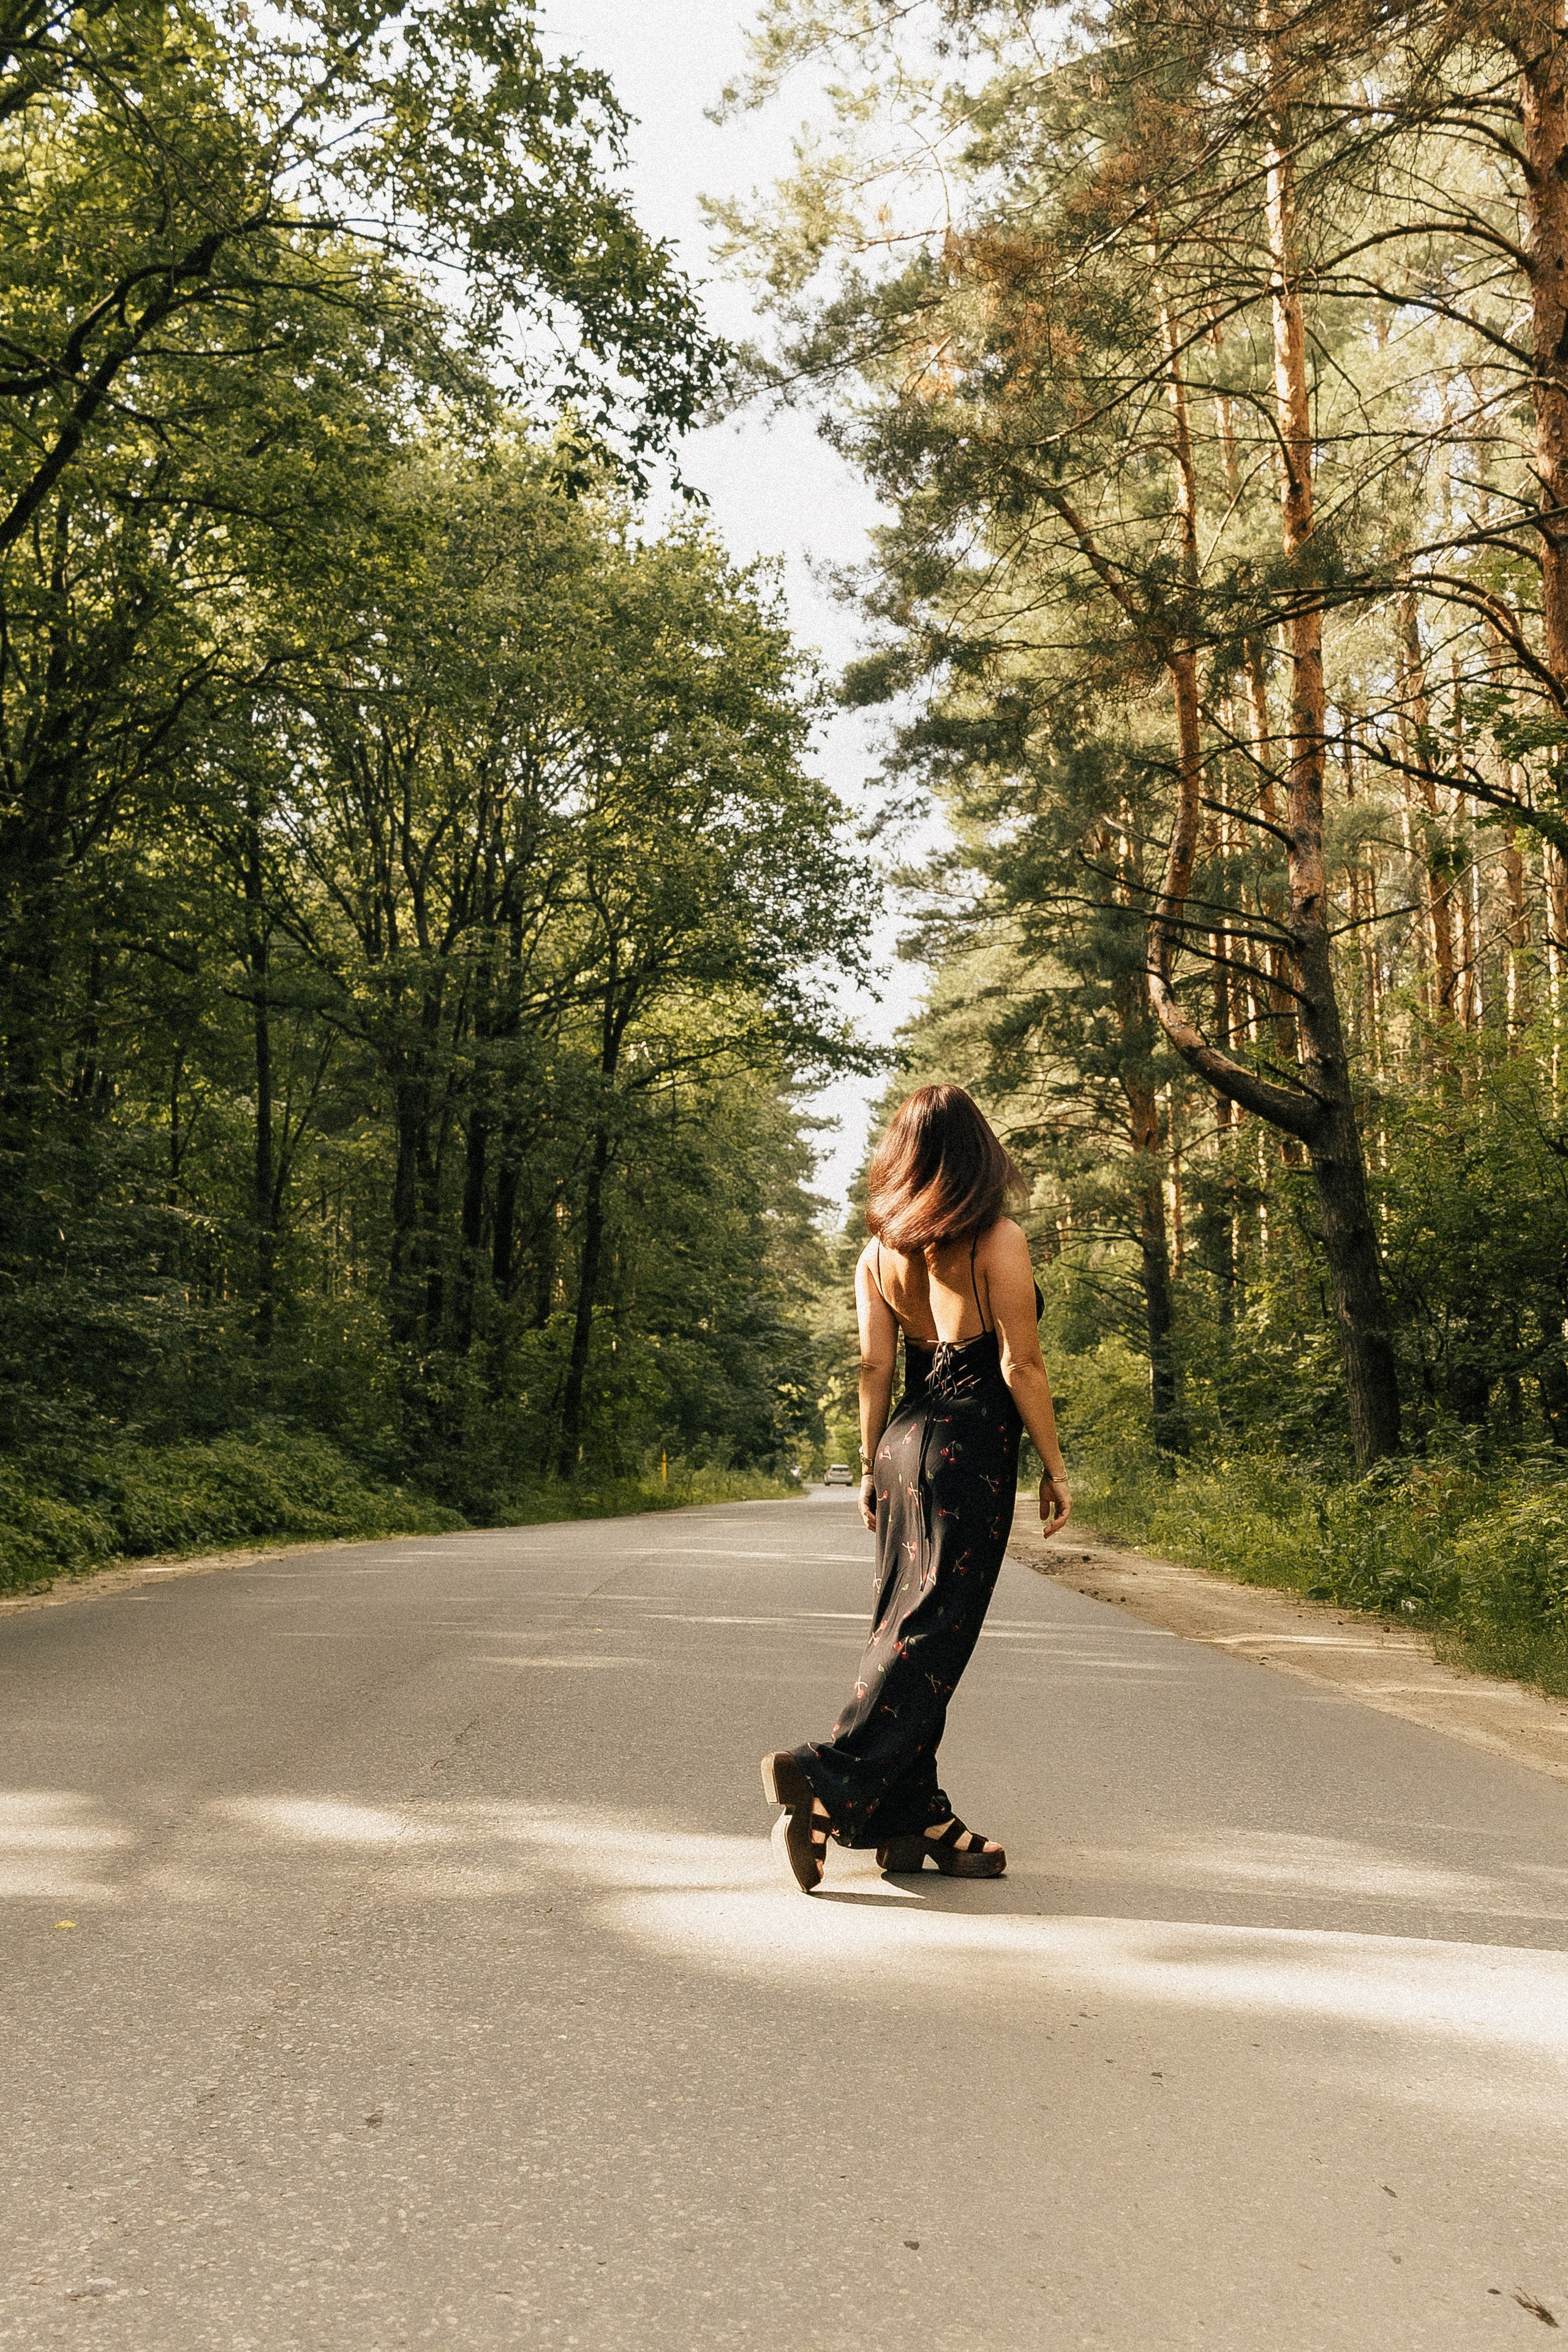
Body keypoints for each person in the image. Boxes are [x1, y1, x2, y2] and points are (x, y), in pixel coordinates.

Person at [762, 1084, 1071, 1893]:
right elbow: (1020, 1363)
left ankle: (912, 1814)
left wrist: (869, 1465)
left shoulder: (877, 1252)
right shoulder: (996, 1238)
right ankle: (824, 1774)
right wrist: (1054, 1466)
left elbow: (874, 1365)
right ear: (977, 1153)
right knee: (936, 1630)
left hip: (905, 1444)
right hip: (969, 1448)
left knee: (904, 1623)